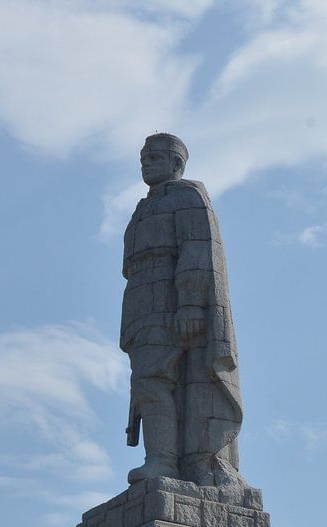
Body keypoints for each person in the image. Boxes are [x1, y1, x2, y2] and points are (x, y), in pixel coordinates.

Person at [121, 133, 245, 488]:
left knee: (164, 379)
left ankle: (164, 461)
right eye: (143, 158)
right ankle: (163, 459)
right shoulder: (142, 208)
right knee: (149, 380)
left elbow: (197, 249)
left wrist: (190, 301)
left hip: (170, 297)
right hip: (141, 302)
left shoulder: (187, 196)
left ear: (177, 163)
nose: (146, 163)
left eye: (155, 157)